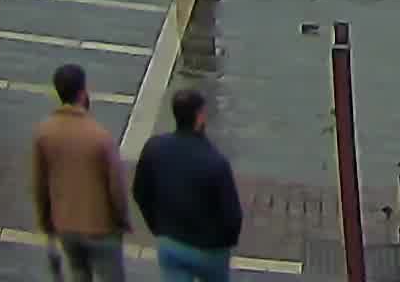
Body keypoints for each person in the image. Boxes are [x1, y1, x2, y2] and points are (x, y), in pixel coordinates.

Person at [28, 62, 130, 281]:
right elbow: (116, 187)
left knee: (78, 274)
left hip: (65, 225)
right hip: (101, 226)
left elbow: (39, 183)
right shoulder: (100, 136)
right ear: (83, 93)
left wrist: (46, 220)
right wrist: (122, 219)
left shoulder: (44, 132)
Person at [133, 87, 244, 281]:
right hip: (210, 250)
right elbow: (232, 217)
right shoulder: (216, 162)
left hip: (170, 242)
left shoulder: (154, 148)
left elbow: (140, 192)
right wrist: (224, 243)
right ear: (200, 117)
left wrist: (157, 227)